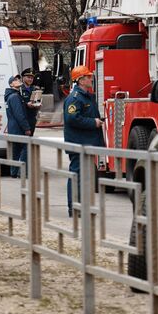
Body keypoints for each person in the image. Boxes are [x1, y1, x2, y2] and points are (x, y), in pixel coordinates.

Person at [61, 66, 103, 218]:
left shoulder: (86, 96)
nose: (91, 79)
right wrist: (94, 123)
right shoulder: (75, 98)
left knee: (86, 177)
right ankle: (75, 208)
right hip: (78, 144)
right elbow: (72, 119)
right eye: (88, 77)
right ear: (80, 80)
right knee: (77, 176)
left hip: (87, 143)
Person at [3, 75, 33, 178]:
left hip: (13, 128)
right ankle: (23, 172)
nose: (18, 80)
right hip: (18, 128)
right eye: (15, 80)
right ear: (11, 84)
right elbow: (19, 115)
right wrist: (27, 128)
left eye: (18, 79)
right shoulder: (15, 97)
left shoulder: (11, 96)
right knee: (25, 148)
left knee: (15, 150)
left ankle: (14, 172)